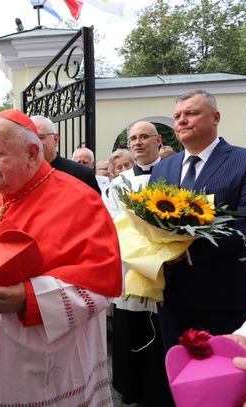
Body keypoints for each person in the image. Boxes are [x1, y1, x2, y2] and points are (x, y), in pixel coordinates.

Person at [0, 109, 122, 406]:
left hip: (43, 367)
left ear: (32, 153)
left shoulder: (79, 199)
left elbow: (101, 283)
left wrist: (31, 297)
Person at [149, 90, 246, 350]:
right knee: (178, 376)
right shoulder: (164, 168)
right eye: (177, 116)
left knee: (225, 380)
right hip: (171, 299)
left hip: (224, 297)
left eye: (191, 113)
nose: (182, 120)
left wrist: (187, 252)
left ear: (216, 117)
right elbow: (150, 223)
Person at [104, 121, 173, 406]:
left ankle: (161, 391)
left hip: (169, 267)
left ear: (158, 140)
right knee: (132, 330)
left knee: (163, 333)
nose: (138, 142)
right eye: (133, 138)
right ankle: (130, 388)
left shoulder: (175, 173)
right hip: (131, 266)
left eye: (144, 137)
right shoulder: (119, 183)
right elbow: (112, 224)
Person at [31, 115, 100, 193]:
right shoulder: (22, 175)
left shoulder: (81, 174)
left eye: (40, 137)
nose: (35, 143)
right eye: (30, 138)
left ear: (55, 139)